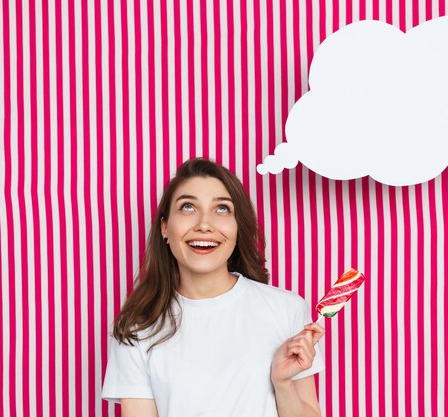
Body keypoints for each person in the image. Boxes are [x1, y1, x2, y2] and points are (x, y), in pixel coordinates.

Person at [102, 158, 325, 416]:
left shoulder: (287, 308)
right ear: (165, 227)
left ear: (238, 227)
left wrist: (283, 382)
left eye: (221, 209)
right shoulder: (137, 327)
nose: (204, 224)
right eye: (188, 207)